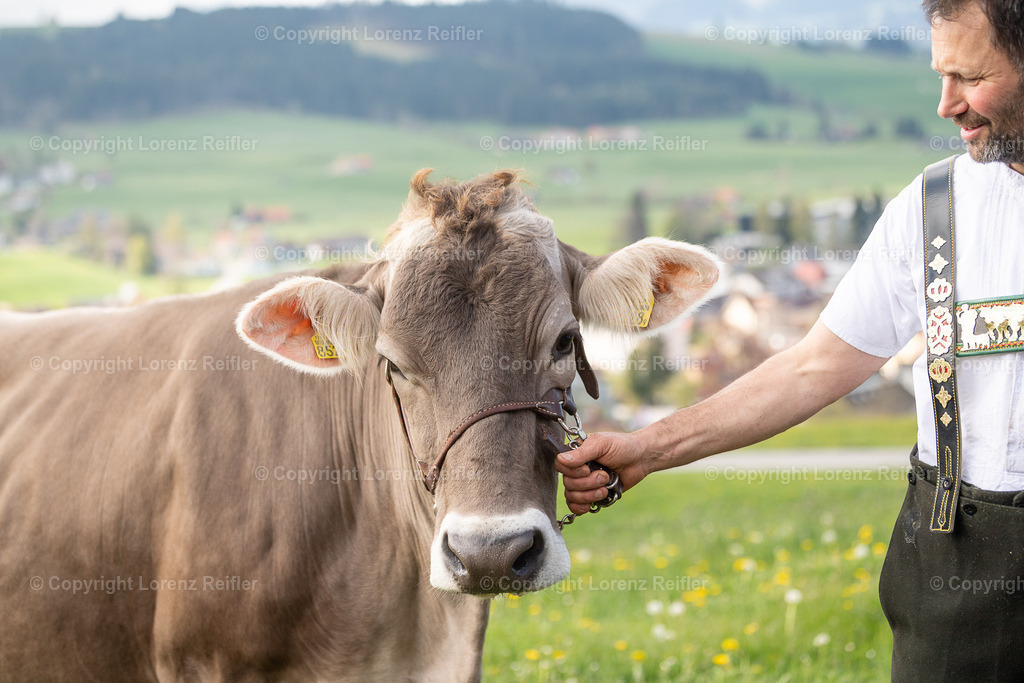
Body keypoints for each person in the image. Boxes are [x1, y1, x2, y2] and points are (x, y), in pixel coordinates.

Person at [556, 0, 1024, 678]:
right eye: (939, 75)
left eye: (970, 76)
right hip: (955, 579)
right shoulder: (932, 213)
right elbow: (812, 368)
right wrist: (645, 448)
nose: (945, 104)